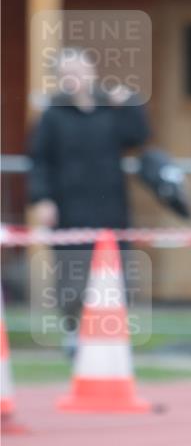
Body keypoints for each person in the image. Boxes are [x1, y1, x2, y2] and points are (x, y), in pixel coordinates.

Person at [28, 48, 150, 356]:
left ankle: (111, 333)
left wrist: (130, 104)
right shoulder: (52, 116)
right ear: (59, 79)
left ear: (92, 73)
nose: (74, 78)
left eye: (79, 71)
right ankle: (72, 333)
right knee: (72, 273)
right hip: (68, 207)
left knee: (113, 271)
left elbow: (138, 135)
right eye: (67, 73)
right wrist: (41, 199)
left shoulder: (110, 110)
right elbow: (39, 160)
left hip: (111, 206)